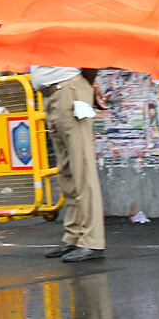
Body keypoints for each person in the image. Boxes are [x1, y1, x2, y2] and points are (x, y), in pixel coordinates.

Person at [35, 66, 107, 262]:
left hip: (68, 91)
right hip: (54, 94)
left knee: (83, 169)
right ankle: (74, 234)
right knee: (66, 171)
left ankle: (92, 240)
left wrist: (87, 85)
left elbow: (88, 58)